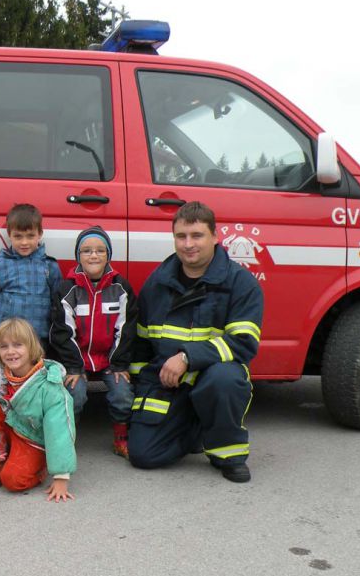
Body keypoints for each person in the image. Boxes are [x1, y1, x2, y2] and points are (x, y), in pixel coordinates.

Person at [128, 201, 263, 483]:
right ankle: (195, 428)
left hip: (212, 376)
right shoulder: (157, 283)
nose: (188, 244)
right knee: (143, 456)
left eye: (197, 236)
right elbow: (141, 344)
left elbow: (242, 343)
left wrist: (187, 357)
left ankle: (227, 453)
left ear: (215, 237)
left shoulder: (241, 283)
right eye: (181, 236)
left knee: (225, 378)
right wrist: (142, 387)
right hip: (168, 383)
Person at [0, 318, 76, 501]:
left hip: (31, 439)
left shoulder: (50, 387)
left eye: (18, 345)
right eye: (4, 346)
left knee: (13, 481)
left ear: (31, 347)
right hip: (8, 428)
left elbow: (60, 431)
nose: (10, 352)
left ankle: (40, 467)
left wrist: (61, 476)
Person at [50, 225, 137, 458]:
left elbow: (126, 329)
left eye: (100, 250)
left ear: (109, 254)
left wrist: (118, 364)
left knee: (122, 395)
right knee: (73, 395)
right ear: (78, 256)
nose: (94, 255)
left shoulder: (121, 288)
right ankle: (67, 437)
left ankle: (121, 438)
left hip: (110, 360)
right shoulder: (67, 289)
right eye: (86, 250)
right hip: (77, 362)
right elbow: (62, 332)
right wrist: (74, 367)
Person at [0, 203, 62, 351]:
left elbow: (58, 303)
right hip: (6, 341)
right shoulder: (0, 264)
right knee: (5, 374)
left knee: (38, 374)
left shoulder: (50, 266)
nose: (24, 242)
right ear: (9, 234)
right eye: (18, 236)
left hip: (38, 340)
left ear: (40, 234)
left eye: (30, 236)